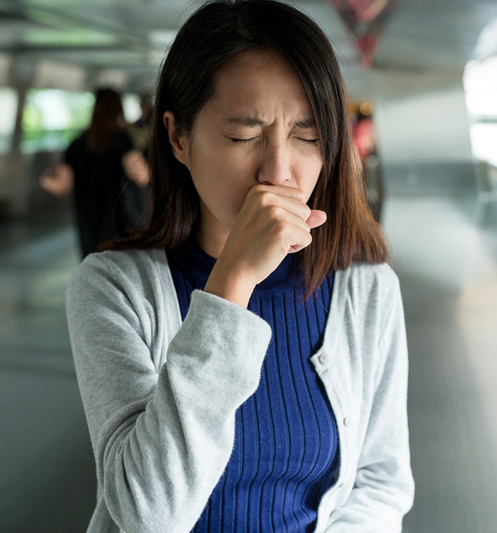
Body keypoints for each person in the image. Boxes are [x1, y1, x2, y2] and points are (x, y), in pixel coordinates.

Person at [66, 0, 414, 531]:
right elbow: (147, 514)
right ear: (178, 138)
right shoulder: (115, 288)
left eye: (308, 136)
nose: (278, 171)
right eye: (242, 136)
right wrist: (233, 282)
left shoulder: (365, 290)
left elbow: (381, 483)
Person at [40, 87, 150, 258]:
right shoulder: (122, 140)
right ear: (118, 109)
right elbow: (142, 176)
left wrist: (45, 178)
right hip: (122, 224)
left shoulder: (78, 144)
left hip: (89, 224)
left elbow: (61, 186)